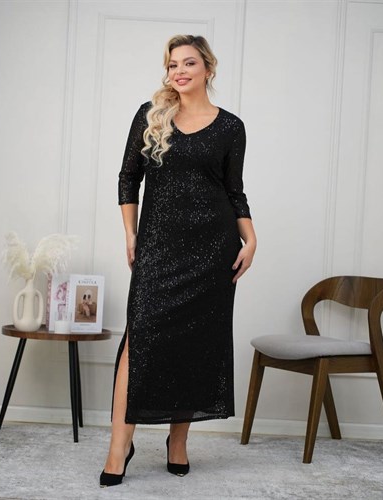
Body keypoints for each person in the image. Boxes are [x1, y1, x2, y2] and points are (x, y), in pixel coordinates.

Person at [100, 34, 257, 488]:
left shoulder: (231, 127)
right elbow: (128, 177)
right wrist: (131, 234)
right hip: (158, 247)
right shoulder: (151, 116)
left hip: (212, 251)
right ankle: (119, 447)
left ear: (208, 67)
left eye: (188, 63)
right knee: (139, 342)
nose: (179, 71)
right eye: (172, 65)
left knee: (194, 346)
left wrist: (250, 238)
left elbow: (234, 190)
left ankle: (178, 442)